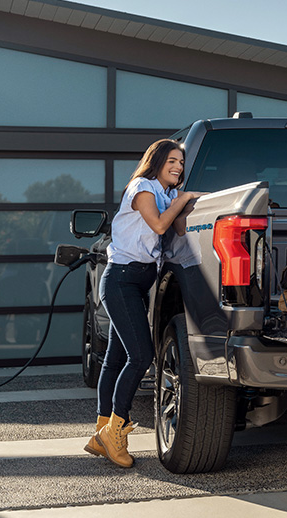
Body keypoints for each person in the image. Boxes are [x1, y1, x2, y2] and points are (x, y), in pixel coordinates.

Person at [84, 139, 203, 468]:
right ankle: (115, 431)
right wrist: (183, 199)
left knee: (116, 357)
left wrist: (189, 200)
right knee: (141, 356)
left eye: (181, 162)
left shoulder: (166, 194)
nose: (178, 166)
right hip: (121, 279)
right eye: (172, 161)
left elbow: (178, 226)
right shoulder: (143, 187)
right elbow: (161, 225)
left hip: (137, 282)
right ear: (158, 160)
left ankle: (101, 432)